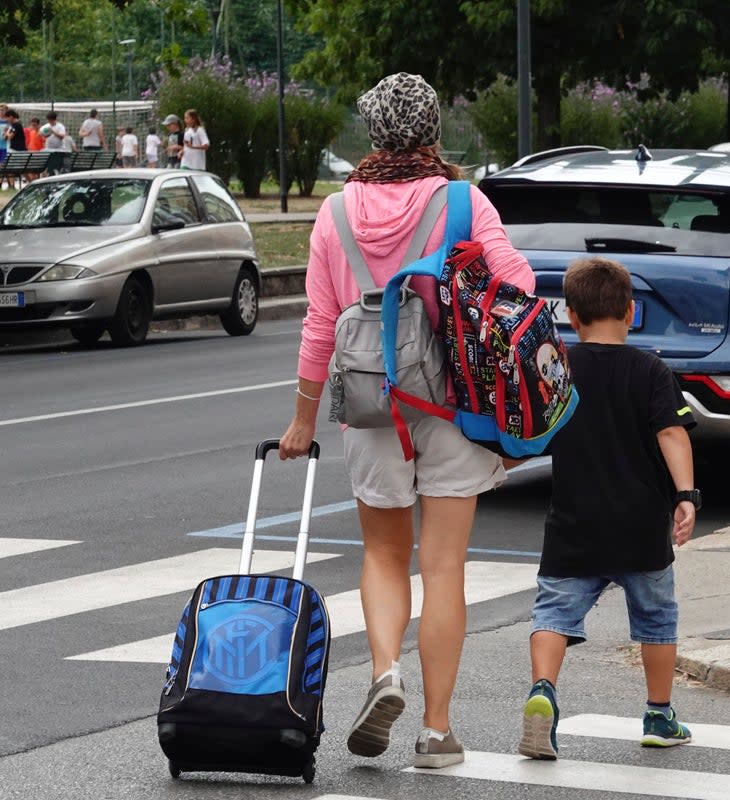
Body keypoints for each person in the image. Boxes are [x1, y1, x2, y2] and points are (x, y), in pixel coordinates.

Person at [278, 72, 535, 769]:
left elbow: (320, 325)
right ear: (432, 130)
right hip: (452, 403)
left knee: (384, 556)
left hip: (368, 407)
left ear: (371, 131)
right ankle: (436, 731)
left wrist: (303, 421)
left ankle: (383, 673)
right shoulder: (463, 200)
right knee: (444, 566)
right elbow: (518, 285)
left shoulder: (333, 215)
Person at [515, 257, 699, 761]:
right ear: (631, 311)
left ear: (571, 316)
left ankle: (543, 692)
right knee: (657, 620)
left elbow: (529, 435)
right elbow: (671, 432)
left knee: (553, 614)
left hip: (574, 520)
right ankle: (660, 714)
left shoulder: (560, 368)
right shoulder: (651, 369)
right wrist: (685, 494)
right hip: (641, 523)